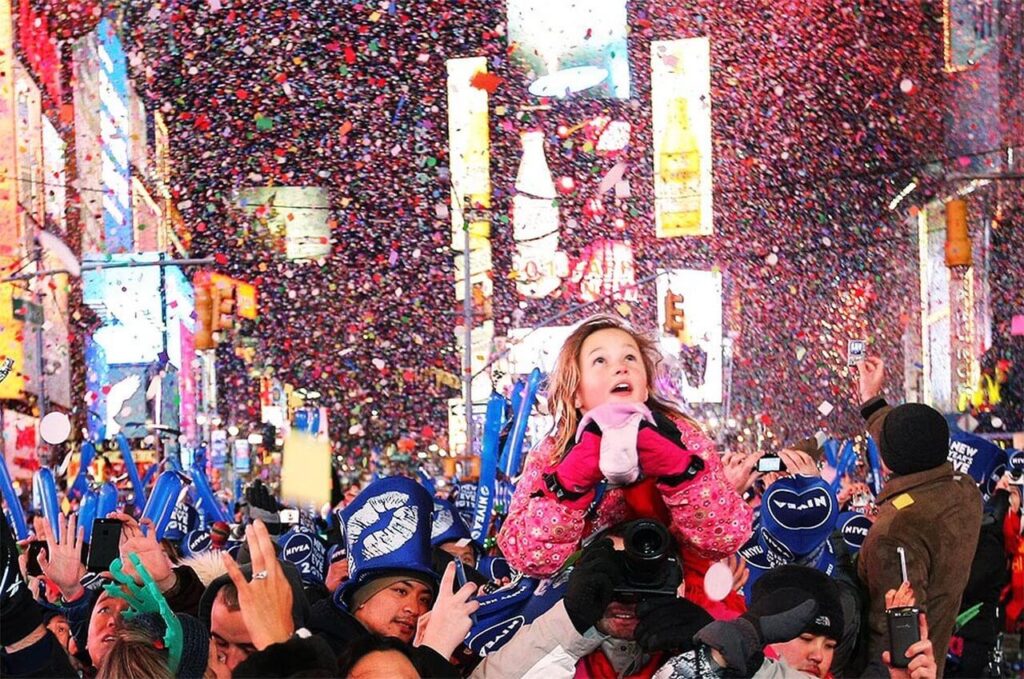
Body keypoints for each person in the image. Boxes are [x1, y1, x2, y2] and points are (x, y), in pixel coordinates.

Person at [498, 315, 752, 605]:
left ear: (645, 387)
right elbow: (526, 557)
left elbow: (725, 538)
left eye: (630, 358)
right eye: (600, 361)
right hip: (583, 609)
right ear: (577, 392)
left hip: (673, 602)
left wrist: (683, 474)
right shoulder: (552, 454)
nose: (620, 367)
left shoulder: (685, 440)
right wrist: (565, 489)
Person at [855, 357, 983, 676]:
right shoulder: (965, 491)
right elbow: (909, 440)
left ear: (886, 462)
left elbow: (898, 635)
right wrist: (871, 401)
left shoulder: (895, 531)